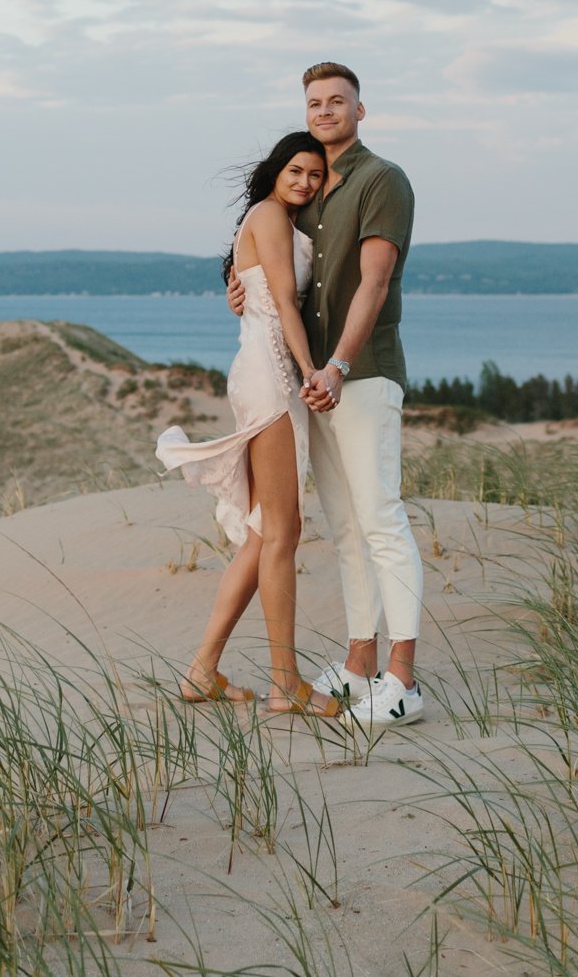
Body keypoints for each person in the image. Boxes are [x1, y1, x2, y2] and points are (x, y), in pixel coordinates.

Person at [226, 61, 423, 728]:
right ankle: (358, 659)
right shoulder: (308, 192)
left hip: (358, 372)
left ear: (360, 111)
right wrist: (239, 287)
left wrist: (337, 363)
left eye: (338, 101)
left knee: (380, 517)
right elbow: (280, 278)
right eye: (315, 102)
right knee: (344, 527)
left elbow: (373, 281)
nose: (326, 110)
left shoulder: (381, 179)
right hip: (312, 384)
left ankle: (402, 676)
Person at [157, 131, 343, 716]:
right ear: (274, 170)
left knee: (266, 532)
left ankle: (201, 670)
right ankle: (285, 682)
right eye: (296, 170)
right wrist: (314, 371)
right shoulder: (268, 213)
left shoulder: (282, 220)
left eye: (315, 174)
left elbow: (264, 290)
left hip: (266, 369)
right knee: (283, 533)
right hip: (271, 375)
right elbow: (285, 302)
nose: (306, 182)